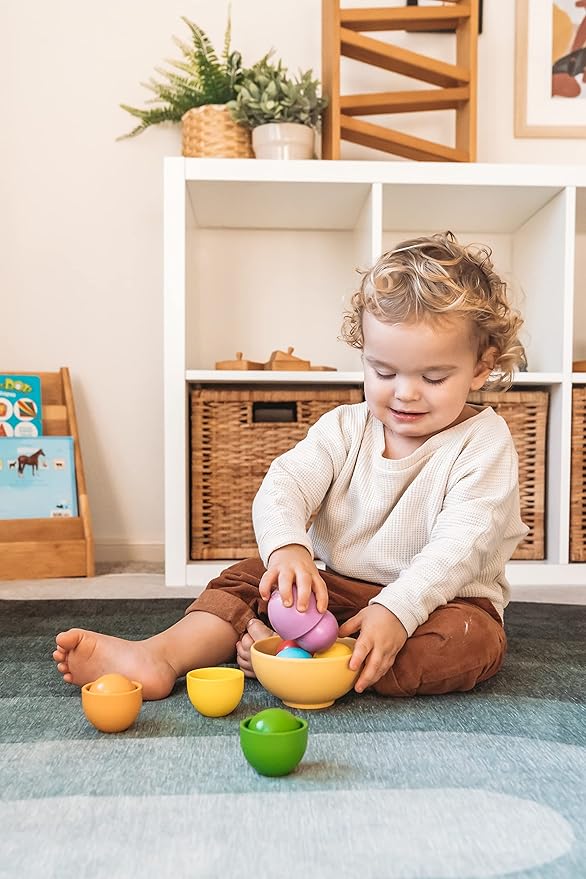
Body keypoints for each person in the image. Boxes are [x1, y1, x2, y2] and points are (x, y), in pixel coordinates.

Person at [53, 231, 528, 701]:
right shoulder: (343, 428)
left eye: (433, 377)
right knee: (247, 578)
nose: (405, 392)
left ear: (481, 368)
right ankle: (159, 656)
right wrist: (288, 551)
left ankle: (282, 656)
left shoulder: (483, 443)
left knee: (467, 643)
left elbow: (458, 548)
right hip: (336, 591)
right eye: (384, 372)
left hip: (442, 601)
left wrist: (397, 611)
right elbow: (285, 486)